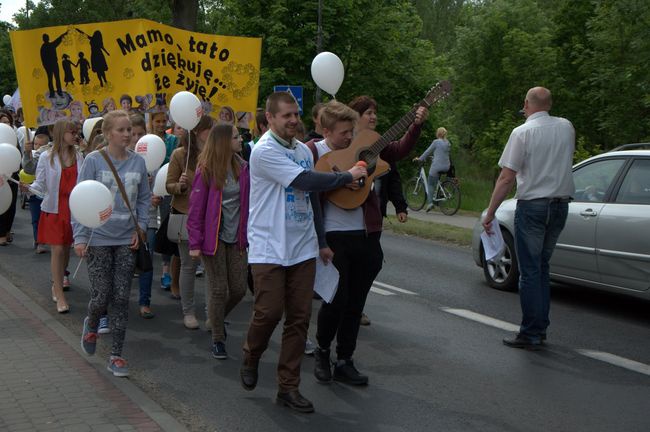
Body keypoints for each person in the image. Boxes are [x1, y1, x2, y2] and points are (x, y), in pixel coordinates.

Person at [240, 92, 366, 413]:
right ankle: (252, 354)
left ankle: (288, 387)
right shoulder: (264, 151)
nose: (294, 121)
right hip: (268, 246)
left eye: (296, 115)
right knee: (268, 313)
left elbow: (310, 198)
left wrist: (321, 240)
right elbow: (305, 180)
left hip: (301, 247)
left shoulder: (302, 151)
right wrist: (346, 176)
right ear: (270, 119)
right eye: (286, 116)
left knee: (299, 319)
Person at [308, 98, 427, 387]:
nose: (349, 136)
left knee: (355, 302)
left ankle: (345, 360)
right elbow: (307, 191)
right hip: (334, 236)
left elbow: (397, 152)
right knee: (336, 300)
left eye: (351, 131)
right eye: (344, 132)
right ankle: (323, 352)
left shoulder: (367, 146)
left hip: (366, 233)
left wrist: (416, 126)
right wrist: (339, 180)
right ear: (327, 130)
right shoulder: (314, 151)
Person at [482, 87, 575, 350]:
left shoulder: (521, 132)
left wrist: (490, 213)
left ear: (526, 104)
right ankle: (540, 326)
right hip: (560, 206)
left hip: (533, 206)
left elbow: (506, 177)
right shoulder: (567, 127)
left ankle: (531, 332)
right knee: (542, 268)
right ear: (550, 104)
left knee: (530, 271)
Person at [74, 110, 151, 377]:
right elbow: (81, 199)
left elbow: (143, 199)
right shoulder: (93, 161)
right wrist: (81, 237)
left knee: (120, 297)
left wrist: (140, 229)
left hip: (126, 238)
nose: (128, 134)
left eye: (130, 129)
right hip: (98, 238)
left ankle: (116, 355)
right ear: (108, 134)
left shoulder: (138, 163)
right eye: (122, 130)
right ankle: (92, 322)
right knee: (101, 295)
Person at [188, 123, 249, 358]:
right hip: (212, 240)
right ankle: (217, 338)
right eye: (236, 137)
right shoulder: (206, 170)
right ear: (224, 141)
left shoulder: (243, 167)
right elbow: (195, 210)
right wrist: (195, 243)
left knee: (239, 289)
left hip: (237, 238)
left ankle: (216, 318)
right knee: (218, 290)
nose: (241, 140)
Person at [166, 115, 215, 329]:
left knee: (212, 268)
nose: (212, 133)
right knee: (188, 265)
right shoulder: (180, 155)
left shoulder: (216, 155)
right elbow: (169, 185)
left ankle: (213, 311)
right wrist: (181, 186)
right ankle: (189, 311)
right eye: (208, 129)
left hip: (212, 217)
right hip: (186, 214)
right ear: (196, 132)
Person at [31, 119, 84, 313]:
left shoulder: (79, 156)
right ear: (62, 133)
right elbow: (40, 184)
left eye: (77, 131)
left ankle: (59, 280)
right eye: (72, 132)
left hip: (74, 209)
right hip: (54, 209)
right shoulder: (46, 156)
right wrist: (27, 188)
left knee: (67, 249)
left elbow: (84, 182)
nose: (76, 135)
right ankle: (59, 292)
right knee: (58, 250)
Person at [131, 113, 157, 319]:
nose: (137, 138)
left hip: (146, 217)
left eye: (141, 134)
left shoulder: (152, 157)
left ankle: (144, 301)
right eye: (134, 133)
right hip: (123, 220)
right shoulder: (122, 160)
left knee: (146, 259)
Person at [150, 111, 179, 295]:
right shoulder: (146, 141)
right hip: (150, 191)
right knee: (150, 230)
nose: (161, 124)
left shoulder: (173, 140)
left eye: (163, 121)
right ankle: (143, 266)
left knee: (169, 228)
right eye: (157, 121)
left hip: (168, 188)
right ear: (151, 122)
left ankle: (166, 271)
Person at [21, 127, 53, 254]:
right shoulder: (35, 154)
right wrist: (27, 152)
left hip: (50, 192)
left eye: (41, 145)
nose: (37, 147)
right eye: (35, 144)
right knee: (36, 219)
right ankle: (39, 242)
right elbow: (28, 169)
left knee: (49, 219)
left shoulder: (53, 152)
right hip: (34, 191)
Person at [414, 127, 451, 212]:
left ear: (438, 134)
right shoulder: (448, 143)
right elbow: (442, 154)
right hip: (446, 166)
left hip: (437, 166)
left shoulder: (436, 142)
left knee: (430, 183)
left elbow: (427, 151)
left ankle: (430, 203)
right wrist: (434, 157)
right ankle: (439, 195)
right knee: (436, 182)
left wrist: (420, 159)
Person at [0, 111, 20, 246]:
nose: (6, 124)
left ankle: (7, 230)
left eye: (8, 122)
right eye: (3, 122)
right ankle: (1, 234)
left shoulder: (13, 136)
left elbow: (17, 156)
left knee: (11, 206)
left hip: (12, 176)